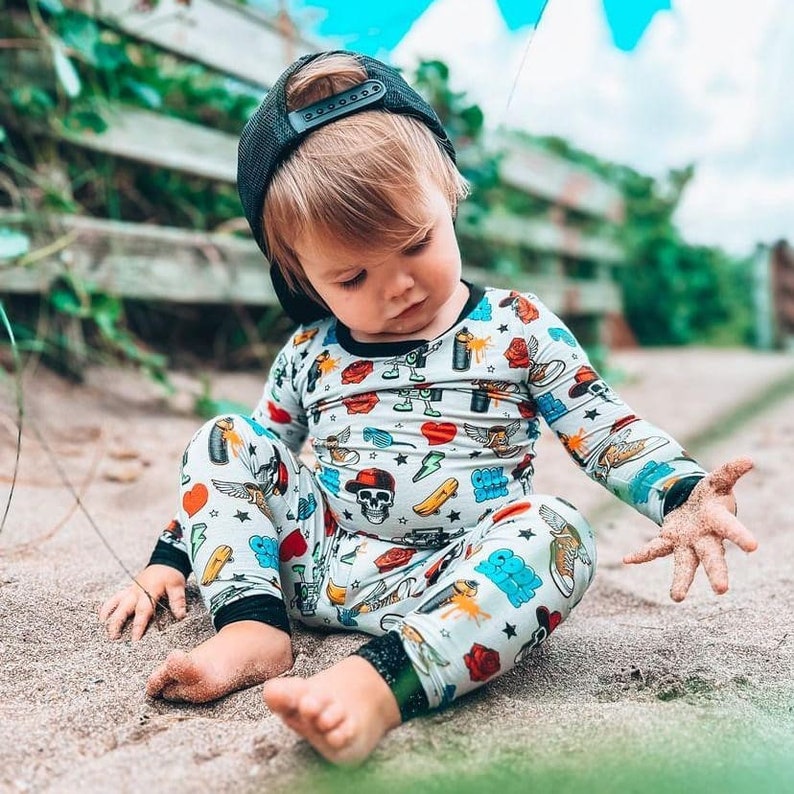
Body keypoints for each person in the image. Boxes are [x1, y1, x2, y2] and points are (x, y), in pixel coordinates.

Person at [99, 50, 758, 766]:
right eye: (352, 277)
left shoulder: (518, 327)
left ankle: (381, 682)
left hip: (456, 578)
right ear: (304, 280)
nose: (399, 286)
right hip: (317, 565)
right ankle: (252, 626)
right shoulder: (310, 352)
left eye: (417, 242)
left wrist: (683, 494)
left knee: (558, 532)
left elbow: (601, 426)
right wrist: (172, 556)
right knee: (225, 435)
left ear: (447, 192)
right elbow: (245, 464)